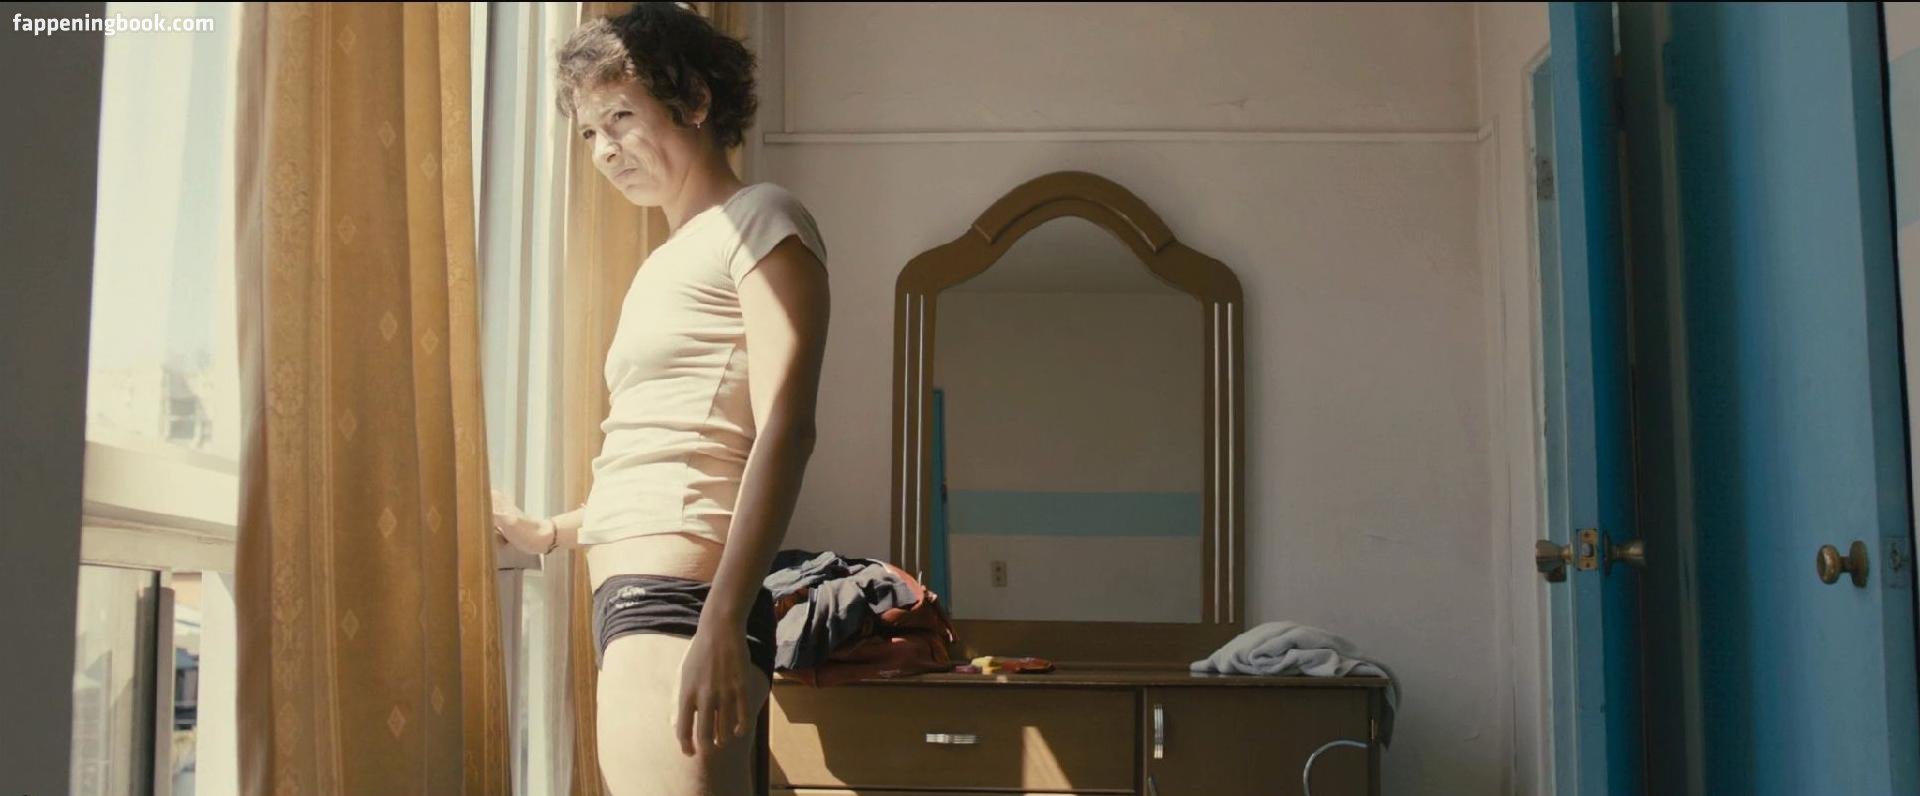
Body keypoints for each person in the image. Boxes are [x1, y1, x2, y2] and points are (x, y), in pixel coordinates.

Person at [491, 4, 830, 793]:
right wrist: (551, 532)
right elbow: (667, 447)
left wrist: (721, 619)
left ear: (695, 100)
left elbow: (787, 428)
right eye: (589, 132)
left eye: (620, 117)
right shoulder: (669, 257)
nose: (605, 149)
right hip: (651, 599)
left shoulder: (762, 219)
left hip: (681, 603)